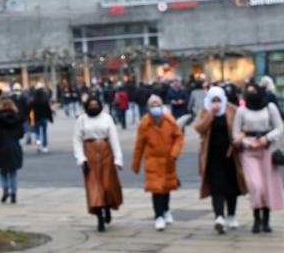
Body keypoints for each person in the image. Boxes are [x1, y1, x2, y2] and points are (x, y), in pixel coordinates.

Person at [234, 83, 284, 234]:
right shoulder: (241, 110)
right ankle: (256, 216)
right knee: (256, 185)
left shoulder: (270, 107)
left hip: (267, 149)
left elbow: (279, 127)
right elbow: (235, 133)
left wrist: (266, 139)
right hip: (249, 151)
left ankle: (266, 219)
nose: (251, 94)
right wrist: (246, 143)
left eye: (254, 91)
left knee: (268, 185)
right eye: (248, 92)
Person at [194, 86, 247, 234]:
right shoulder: (205, 110)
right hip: (212, 155)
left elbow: (243, 126)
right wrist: (211, 114)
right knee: (216, 187)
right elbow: (199, 128)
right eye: (213, 100)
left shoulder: (232, 110)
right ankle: (219, 217)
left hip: (231, 155)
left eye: (219, 99)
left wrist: (240, 137)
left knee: (231, 186)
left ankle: (231, 215)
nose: (216, 102)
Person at [132, 94, 184, 231]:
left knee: (166, 188)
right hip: (152, 160)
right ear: (148, 107)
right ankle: (158, 216)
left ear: (162, 106)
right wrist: (136, 163)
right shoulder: (145, 123)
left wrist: (174, 152)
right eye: (152, 105)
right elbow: (139, 144)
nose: (155, 107)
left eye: (157, 105)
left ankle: (166, 210)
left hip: (168, 160)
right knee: (156, 189)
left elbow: (178, 137)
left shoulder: (170, 121)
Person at [73, 93, 123, 232]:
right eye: (91, 105)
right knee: (94, 187)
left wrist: (118, 158)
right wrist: (81, 159)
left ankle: (107, 207)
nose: (93, 107)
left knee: (108, 185)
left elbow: (114, 138)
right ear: (86, 106)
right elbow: (77, 140)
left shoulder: (107, 118)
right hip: (90, 153)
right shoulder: (81, 120)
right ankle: (99, 217)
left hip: (106, 152)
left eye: (96, 105)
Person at [29, 83, 53, 153]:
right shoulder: (45, 99)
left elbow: (30, 109)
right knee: (44, 132)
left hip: (36, 117)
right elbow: (48, 110)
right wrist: (50, 118)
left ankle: (38, 141)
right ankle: (45, 146)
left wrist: (29, 118)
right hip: (44, 118)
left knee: (37, 131)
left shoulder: (33, 99)